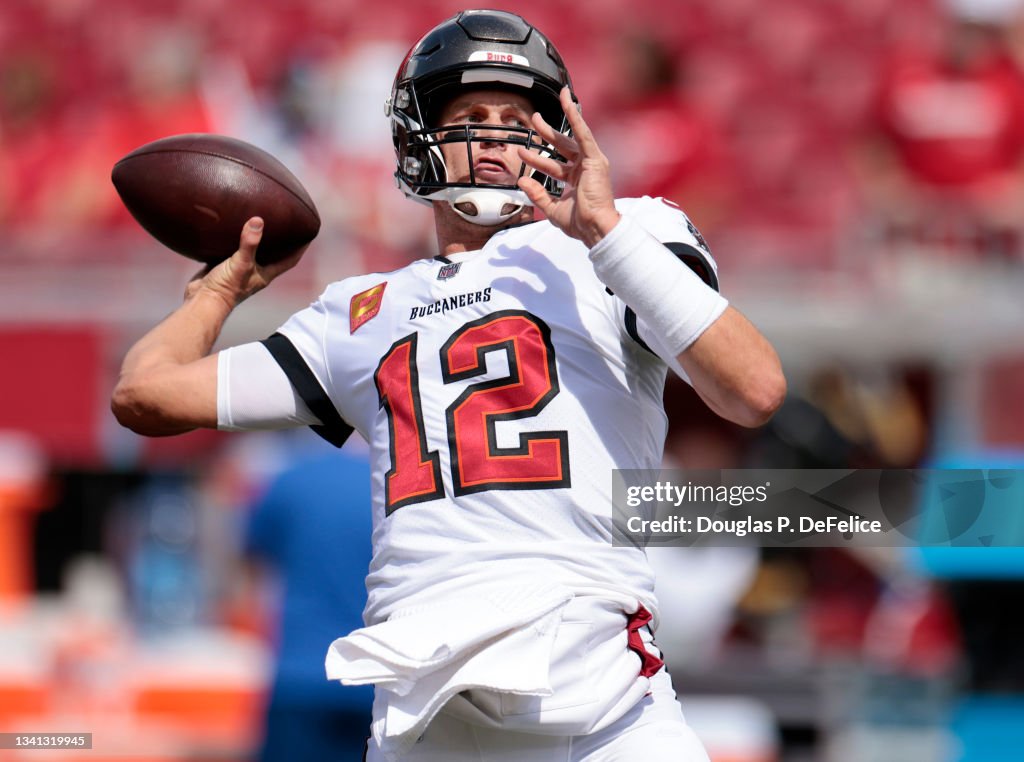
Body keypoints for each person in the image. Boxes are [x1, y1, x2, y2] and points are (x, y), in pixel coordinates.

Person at [111, 10, 786, 761]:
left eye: (517, 114)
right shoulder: (356, 311)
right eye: (471, 114)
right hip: (428, 699)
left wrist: (605, 234)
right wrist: (220, 291)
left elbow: (753, 389)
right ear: (417, 139)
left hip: (603, 687)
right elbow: (145, 393)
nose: (497, 132)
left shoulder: (623, 236)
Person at [241, 440, 375, 761]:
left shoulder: (290, 481)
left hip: (300, 677)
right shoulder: (395, 490)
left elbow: (250, 565)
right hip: (379, 679)